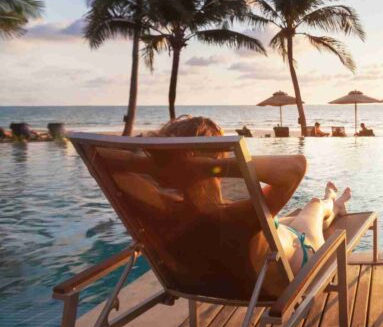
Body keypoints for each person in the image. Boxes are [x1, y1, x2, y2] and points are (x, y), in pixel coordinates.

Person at [139, 116, 351, 274]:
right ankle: (332, 198)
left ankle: (336, 206)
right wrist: (212, 165)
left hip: (268, 245)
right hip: (302, 253)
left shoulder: (168, 208)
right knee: (314, 205)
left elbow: (119, 157)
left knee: (293, 216)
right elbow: (297, 165)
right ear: (216, 160)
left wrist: (167, 166)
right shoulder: (239, 215)